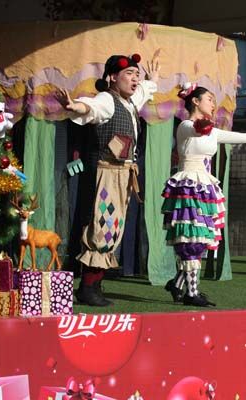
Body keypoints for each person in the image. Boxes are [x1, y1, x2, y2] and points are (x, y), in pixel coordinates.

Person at [161, 83, 246, 306]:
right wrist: (205, 123)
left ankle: (177, 284)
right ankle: (191, 293)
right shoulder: (185, 126)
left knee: (201, 237)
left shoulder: (212, 131)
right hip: (189, 187)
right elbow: (198, 128)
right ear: (195, 101)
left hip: (205, 188)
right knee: (192, 237)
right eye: (209, 99)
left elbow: (240, 137)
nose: (213, 104)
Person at [57, 53, 159, 306]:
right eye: (129, 74)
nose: (135, 79)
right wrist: (74, 107)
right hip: (107, 174)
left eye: (137, 75)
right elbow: (90, 108)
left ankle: (94, 285)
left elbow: (143, 91)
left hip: (124, 174)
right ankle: (88, 287)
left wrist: (152, 78)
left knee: (113, 228)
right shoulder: (107, 99)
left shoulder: (130, 102)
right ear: (113, 77)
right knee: (102, 226)